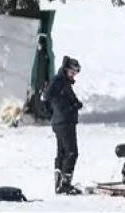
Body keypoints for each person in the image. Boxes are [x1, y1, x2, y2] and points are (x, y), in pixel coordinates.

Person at [42, 55, 83, 194]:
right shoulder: (59, 80)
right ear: (66, 70)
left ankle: (59, 184)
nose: (74, 75)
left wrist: (75, 103)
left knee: (62, 152)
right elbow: (47, 95)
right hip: (64, 121)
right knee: (72, 152)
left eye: (76, 73)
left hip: (62, 121)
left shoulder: (63, 82)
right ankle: (65, 183)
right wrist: (67, 107)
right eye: (72, 72)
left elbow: (63, 97)